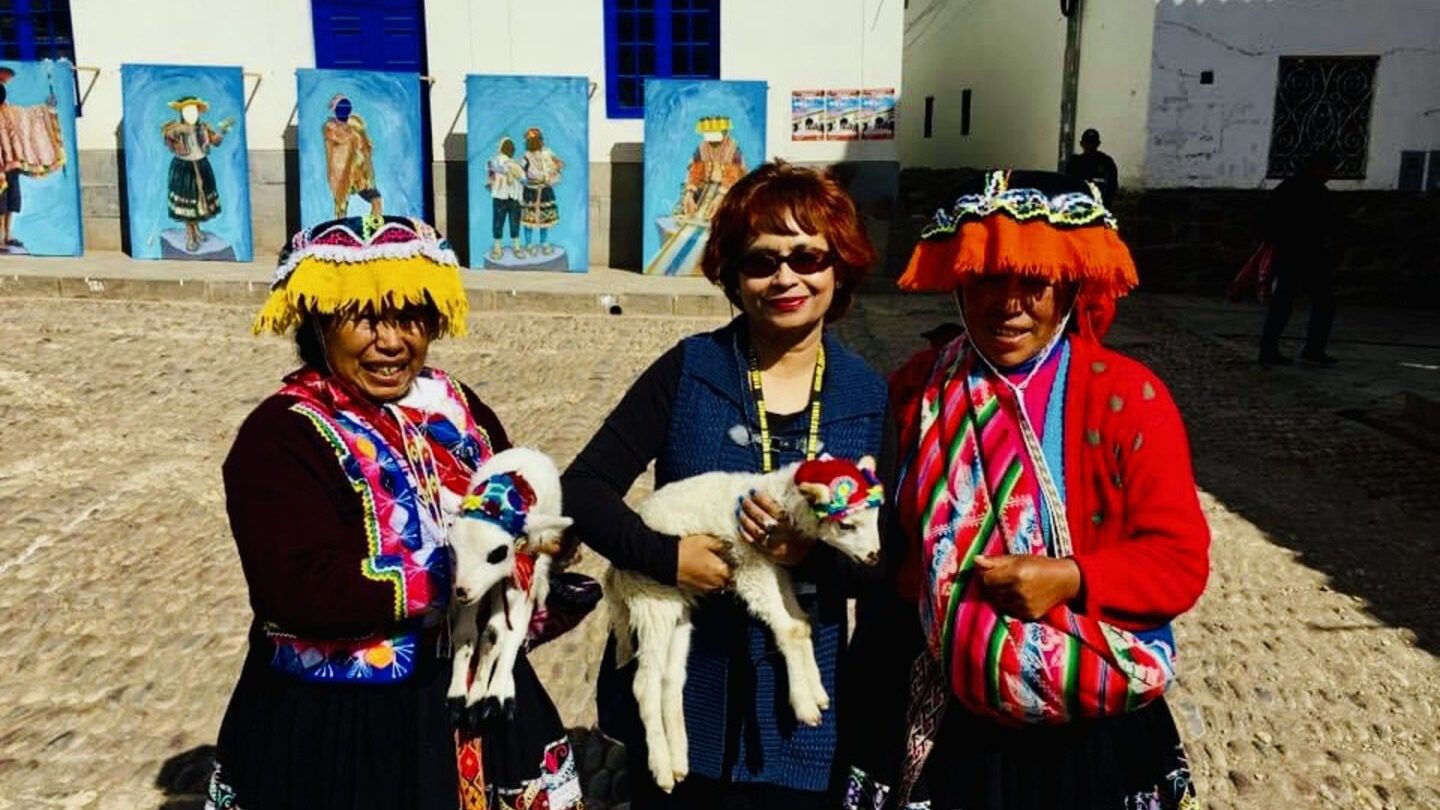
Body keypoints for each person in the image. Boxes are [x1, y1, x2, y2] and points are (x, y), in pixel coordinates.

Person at [843, 170, 1210, 810]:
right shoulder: (919, 388)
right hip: (938, 705)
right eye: (989, 279)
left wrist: (1068, 577)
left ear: (1069, 286)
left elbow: (1178, 562)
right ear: (960, 282)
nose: (1009, 304)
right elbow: (879, 535)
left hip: (1081, 718)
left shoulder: (1125, 397)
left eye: (1034, 282)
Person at [211, 215, 583, 810]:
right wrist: (455, 573)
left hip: (472, 693)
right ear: (318, 322)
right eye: (364, 318)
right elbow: (296, 586)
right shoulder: (281, 437)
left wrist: (539, 546)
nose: (392, 342)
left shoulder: (454, 406)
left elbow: (507, 500)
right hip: (346, 721)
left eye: (410, 317)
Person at [563, 161, 893, 809]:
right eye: (761, 262)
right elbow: (583, 488)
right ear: (733, 276)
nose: (786, 278)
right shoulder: (690, 372)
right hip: (690, 696)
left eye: (807, 257)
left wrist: (814, 556)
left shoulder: (868, 397)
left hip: (802, 718)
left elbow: (891, 561)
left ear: (840, 267)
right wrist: (667, 557)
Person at [1258, 151, 1340, 367]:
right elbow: (1330, 222)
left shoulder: (1287, 188)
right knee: (1323, 303)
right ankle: (1313, 348)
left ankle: (1268, 348)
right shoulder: (1316, 192)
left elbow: (1267, 221)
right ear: (1319, 169)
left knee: (1282, 303)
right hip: (1309, 255)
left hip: (1288, 253)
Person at [161, 96, 232, 252]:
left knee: (201, 201)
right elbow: (168, 139)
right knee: (189, 201)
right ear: (181, 112)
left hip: (201, 165)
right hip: (183, 167)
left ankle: (196, 229)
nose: (191, 115)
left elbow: (215, 142)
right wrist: (179, 134)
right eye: (187, 111)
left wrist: (223, 130)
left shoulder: (204, 128)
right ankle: (190, 233)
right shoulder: (175, 129)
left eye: (194, 111)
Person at [323, 94, 383, 220]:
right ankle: (341, 225)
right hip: (341, 171)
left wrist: (367, 165)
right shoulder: (331, 128)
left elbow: (366, 145)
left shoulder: (356, 126)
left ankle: (375, 222)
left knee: (375, 198)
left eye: (346, 107)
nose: (344, 110)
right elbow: (337, 139)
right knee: (341, 202)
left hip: (359, 171)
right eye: (340, 107)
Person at [520, 127, 563, 256]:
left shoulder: (548, 152)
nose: (539, 142)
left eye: (538, 139)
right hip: (530, 191)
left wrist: (555, 169)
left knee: (545, 219)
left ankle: (543, 243)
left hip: (545, 190)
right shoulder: (526, 156)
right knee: (529, 218)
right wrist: (525, 179)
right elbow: (520, 171)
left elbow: (558, 164)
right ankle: (528, 244)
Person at [486, 136, 524, 260]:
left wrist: (493, 186)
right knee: (514, 223)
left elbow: (490, 178)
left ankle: (497, 249)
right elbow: (523, 179)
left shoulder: (492, 162)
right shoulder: (515, 164)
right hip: (514, 197)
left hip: (499, 196)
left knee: (498, 223)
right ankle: (516, 248)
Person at [1064, 128, 1119, 206]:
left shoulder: (1106, 162)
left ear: (1098, 144)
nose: (1090, 146)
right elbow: (1067, 186)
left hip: (1099, 205)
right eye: (1087, 143)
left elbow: (1112, 188)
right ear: (1082, 144)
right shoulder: (1074, 163)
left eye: (1093, 143)